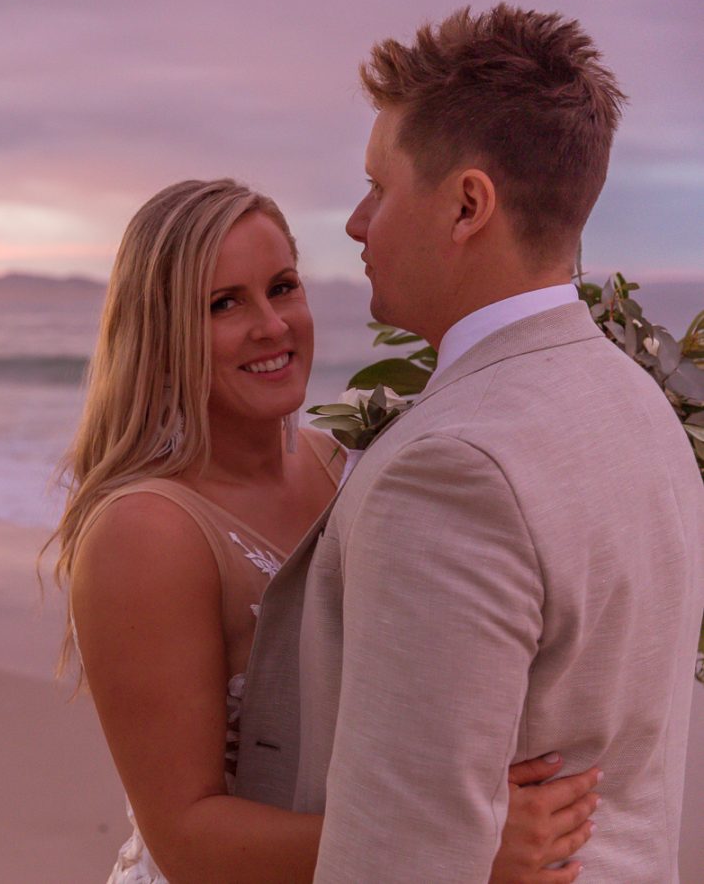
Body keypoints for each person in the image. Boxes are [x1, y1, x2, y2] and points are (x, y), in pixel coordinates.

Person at [233, 5, 704, 882]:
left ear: (466, 205)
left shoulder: (454, 469)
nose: (357, 222)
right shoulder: (640, 409)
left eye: (379, 187)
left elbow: (400, 858)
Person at [50, 178, 600, 883]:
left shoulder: (351, 461)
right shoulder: (146, 532)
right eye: (223, 304)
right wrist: (459, 846)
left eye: (282, 288)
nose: (271, 326)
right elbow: (186, 839)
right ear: (161, 335)